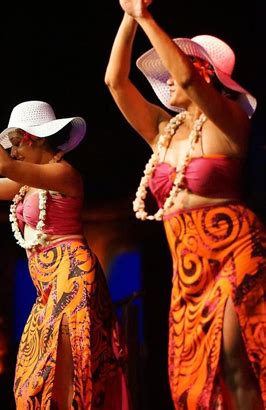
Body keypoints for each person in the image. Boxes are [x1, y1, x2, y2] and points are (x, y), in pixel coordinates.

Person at [104, 0, 265, 408]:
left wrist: (147, 18)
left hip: (235, 249)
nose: (168, 79)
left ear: (205, 72)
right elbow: (115, 82)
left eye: (174, 68)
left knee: (235, 356)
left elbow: (191, 85)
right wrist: (128, 14)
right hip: (188, 261)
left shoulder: (230, 121)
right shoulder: (162, 130)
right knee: (195, 372)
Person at [0, 82, 130, 409]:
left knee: (65, 374)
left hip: (72, 276)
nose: (13, 152)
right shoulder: (28, 185)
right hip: (46, 287)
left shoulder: (64, 173)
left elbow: (1, 166)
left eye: (15, 143)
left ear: (32, 139)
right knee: (31, 380)